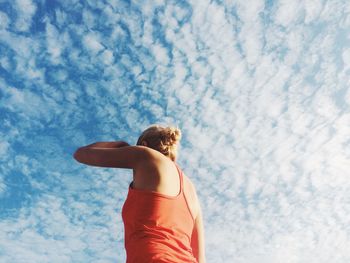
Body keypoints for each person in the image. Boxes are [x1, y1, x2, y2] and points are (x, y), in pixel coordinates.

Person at [73, 125, 206, 263]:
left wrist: (120, 145)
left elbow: (81, 154)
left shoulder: (145, 155)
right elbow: (201, 258)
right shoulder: (191, 190)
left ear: (143, 145)